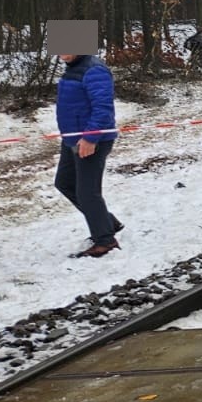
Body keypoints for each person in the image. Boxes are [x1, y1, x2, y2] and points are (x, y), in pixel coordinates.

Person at [54, 40, 122, 258]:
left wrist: (90, 138)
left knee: (87, 193)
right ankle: (107, 222)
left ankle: (105, 241)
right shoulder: (73, 69)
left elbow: (103, 109)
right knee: (64, 183)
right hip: (72, 139)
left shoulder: (95, 70)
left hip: (92, 140)